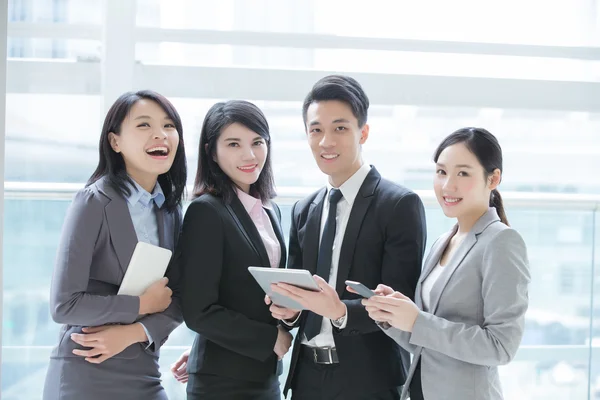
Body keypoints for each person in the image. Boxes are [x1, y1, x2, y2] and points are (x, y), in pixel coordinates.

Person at [267, 75, 427, 400]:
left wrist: (339, 310)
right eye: (316, 130)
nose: (326, 141)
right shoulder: (303, 209)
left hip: (369, 381)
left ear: (363, 132)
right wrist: (291, 310)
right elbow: (301, 292)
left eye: (340, 128)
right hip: (307, 379)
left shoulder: (398, 205)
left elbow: (400, 301)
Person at [359, 127, 531, 400]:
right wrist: (392, 317)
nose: (448, 185)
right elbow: (426, 341)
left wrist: (417, 321)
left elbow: (501, 347)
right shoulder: (444, 240)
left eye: (463, 173)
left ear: (493, 178)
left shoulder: (501, 242)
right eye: (441, 172)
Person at [43, 90, 187, 400]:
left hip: (145, 372)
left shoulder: (170, 208)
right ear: (115, 142)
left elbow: (179, 298)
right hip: (87, 372)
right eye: (144, 125)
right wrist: (141, 306)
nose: (160, 135)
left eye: (168, 125)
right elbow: (63, 304)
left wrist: (135, 331)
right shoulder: (93, 203)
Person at [174, 100, 292, 400]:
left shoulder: (270, 211)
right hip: (223, 382)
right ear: (212, 152)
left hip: (264, 375)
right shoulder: (206, 211)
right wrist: (269, 338)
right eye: (233, 144)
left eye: (257, 142)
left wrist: (288, 317)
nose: (249, 155)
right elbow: (198, 310)